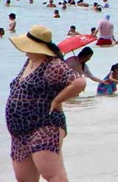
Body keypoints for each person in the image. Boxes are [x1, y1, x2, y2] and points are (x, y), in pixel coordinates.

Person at [6, 25, 86, 182]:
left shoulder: (52, 64)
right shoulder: (30, 61)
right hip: (19, 133)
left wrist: (57, 100)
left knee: (52, 175)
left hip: (44, 125)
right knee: (24, 179)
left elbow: (79, 82)